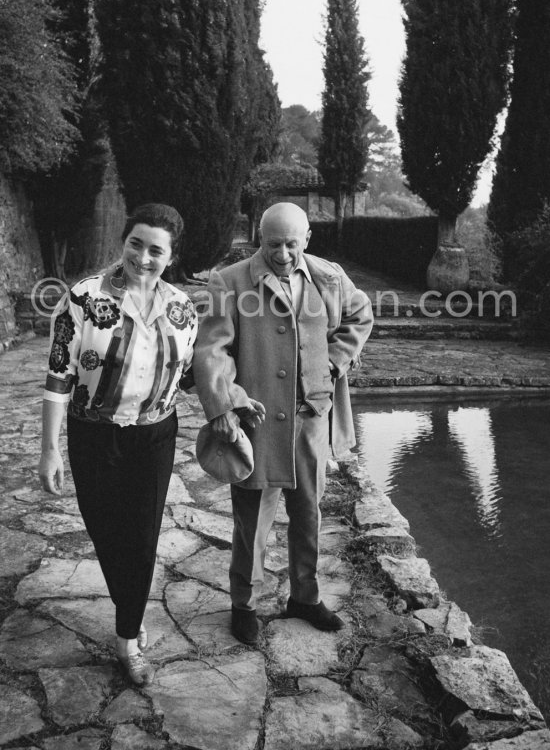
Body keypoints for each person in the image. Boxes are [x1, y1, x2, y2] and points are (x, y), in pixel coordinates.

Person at [193, 202, 373, 646]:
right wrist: (224, 405)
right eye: (274, 244)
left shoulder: (329, 277)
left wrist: (334, 361)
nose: (285, 254)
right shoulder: (230, 282)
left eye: (293, 244)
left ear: (307, 239)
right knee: (251, 519)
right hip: (257, 422)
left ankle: (305, 598)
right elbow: (212, 351)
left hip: (311, 418)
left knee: (308, 513)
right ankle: (244, 605)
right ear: (260, 240)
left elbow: (360, 314)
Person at [38, 202, 197, 685]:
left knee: (143, 536)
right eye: (136, 244)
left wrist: (231, 401)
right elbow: (59, 373)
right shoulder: (83, 298)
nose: (143, 257)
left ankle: (127, 637)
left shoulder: (182, 308)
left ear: (169, 256)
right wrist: (50, 448)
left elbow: (189, 375)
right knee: (106, 530)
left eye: (155, 250)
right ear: (124, 241)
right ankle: (130, 604)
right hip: (92, 433)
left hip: (154, 435)